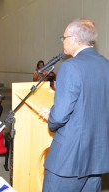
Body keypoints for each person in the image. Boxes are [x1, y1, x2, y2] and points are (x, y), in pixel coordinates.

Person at [39, 18, 109, 192]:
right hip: (96, 156)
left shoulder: (70, 67)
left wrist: (51, 116)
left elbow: (60, 115)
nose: (63, 42)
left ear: (75, 38)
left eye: (64, 38)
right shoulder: (106, 66)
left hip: (69, 159)